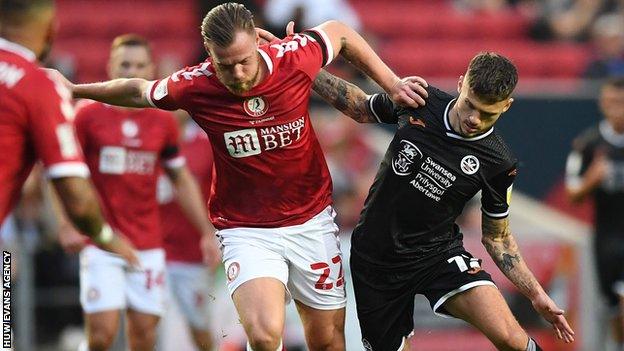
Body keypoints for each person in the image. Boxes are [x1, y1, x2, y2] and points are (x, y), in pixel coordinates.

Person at [46, 3, 428, 350]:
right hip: (246, 229)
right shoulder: (196, 84)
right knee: (263, 334)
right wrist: (76, 90)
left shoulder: (292, 57)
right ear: (210, 55)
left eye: (244, 60)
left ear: (258, 44)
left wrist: (391, 83)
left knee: (327, 340)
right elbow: (139, 90)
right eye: (225, 64)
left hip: (311, 221)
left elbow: (341, 32)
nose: (238, 73)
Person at [311, 52, 575, 351]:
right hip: (375, 259)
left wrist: (536, 294)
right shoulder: (421, 102)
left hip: (437, 255)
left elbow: (497, 238)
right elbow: (359, 107)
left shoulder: (499, 162)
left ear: (506, 106)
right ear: (462, 83)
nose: (474, 119)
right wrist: (303, 69)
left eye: (488, 113)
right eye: (470, 106)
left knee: (512, 338)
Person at [68, 34, 220, 351]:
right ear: (110, 66)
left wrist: (206, 232)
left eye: (138, 65)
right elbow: (62, 172)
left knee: (145, 336)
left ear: (150, 69)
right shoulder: (87, 115)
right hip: (101, 241)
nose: (130, 70)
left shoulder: (162, 122)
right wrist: (67, 222)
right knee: (102, 334)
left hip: (148, 245)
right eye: (125, 64)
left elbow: (180, 179)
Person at [0, 0, 137, 263]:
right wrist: (107, 238)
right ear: (51, 29)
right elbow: (75, 195)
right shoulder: (37, 86)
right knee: (5, 301)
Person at [565, 77, 624, 350]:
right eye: (610, 101)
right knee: (614, 306)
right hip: (608, 238)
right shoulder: (589, 143)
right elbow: (572, 193)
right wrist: (592, 179)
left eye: (621, 102)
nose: (616, 108)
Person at [157, 111, 216, 351]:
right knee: (145, 324)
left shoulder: (206, 143)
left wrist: (213, 235)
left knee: (199, 326)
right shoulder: (147, 138)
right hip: (150, 249)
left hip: (192, 253)